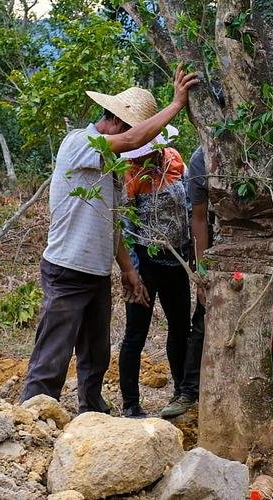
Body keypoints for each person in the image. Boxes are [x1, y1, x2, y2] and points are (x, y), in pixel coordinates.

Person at [20, 65, 199, 414]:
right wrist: (176, 104)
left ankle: (91, 410)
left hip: (96, 272)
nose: (134, 145)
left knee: (95, 352)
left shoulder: (111, 170)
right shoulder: (80, 143)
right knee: (54, 349)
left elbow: (113, 223)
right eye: (133, 132)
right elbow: (132, 141)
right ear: (117, 122)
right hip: (67, 267)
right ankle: (33, 415)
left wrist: (127, 271)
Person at [165, 145, 273, 418]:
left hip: (265, 243)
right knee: (205, 318)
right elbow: (200, 217)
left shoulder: (259, 144)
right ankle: (189, 391)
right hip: (225, 244)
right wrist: (203, 270)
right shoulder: (199, 160)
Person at [117, 130, 193, 418]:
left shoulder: (174, 160)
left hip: (176, 261)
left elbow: (188, 206)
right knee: (136, 333)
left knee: (180, 329)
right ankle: (130, 404)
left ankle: (181, 392)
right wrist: (132, 272)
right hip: (146, 265)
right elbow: (126, 228)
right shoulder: (130, 174)